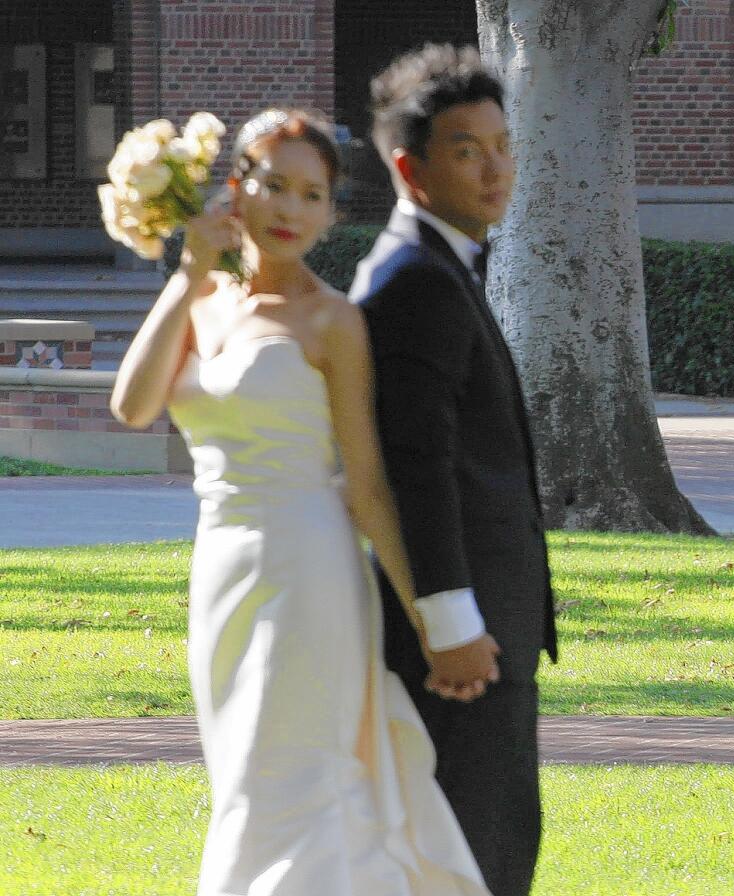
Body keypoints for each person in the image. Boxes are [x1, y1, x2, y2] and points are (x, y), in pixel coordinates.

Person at [110, 109, 490, 895]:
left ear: (332, 212)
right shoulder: (204, 301)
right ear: (234, 190)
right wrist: (189, 274)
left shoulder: (332, 320)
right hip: (223, 570)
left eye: (312, 195)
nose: (289, 210)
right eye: (273, 185)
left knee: (293, 776)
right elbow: (132, 407)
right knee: (241, 773)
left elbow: (368, 483)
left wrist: (427, 617)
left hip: (309, 570)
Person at [348, 45, 558, 896]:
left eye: (503, 145)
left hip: (487, 620)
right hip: (460, 641)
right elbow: (415, 468)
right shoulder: (413, 282)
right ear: (411, 167)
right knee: (470, 854)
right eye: (467, 150)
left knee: (494, 839)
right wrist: (449, 623)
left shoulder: (446, 265)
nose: (495, 168)